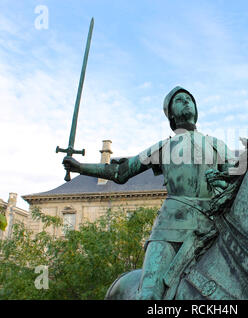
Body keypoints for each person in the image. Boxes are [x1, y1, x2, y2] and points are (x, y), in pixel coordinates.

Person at [63, 86, 237, 299]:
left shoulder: (219, 145)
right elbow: (121, 171)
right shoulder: (163, 148)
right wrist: (80, 168)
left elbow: (240, 181)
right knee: (150, 295)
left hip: (211, 230)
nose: (186, 102)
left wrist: (222, 182)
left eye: (189, 99)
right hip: (169, 230)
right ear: (171, 115)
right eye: (179, 100)